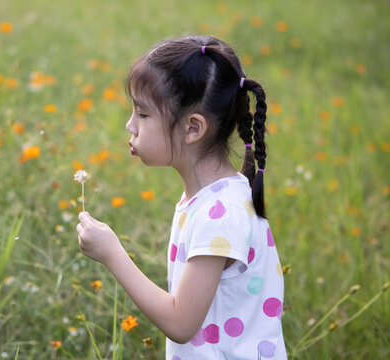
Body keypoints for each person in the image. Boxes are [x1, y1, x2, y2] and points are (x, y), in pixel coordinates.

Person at [76, 35, 286, 359]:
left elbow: (180, 322)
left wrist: (112, 254)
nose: (130, 125)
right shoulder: (212, 199)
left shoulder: (221, 215)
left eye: (143, 114)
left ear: (192, 128)